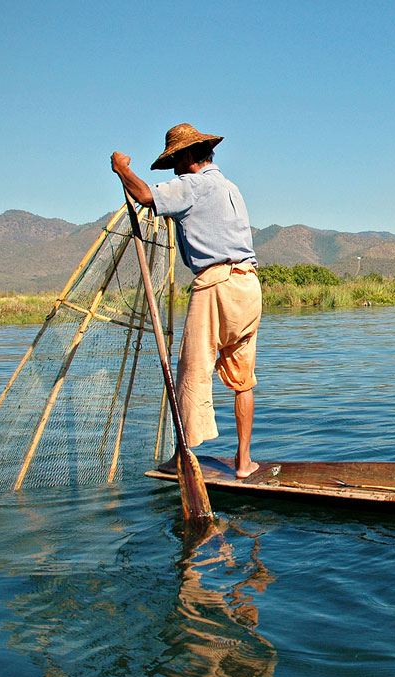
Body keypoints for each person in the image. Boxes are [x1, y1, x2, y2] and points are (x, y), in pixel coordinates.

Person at [112, 123, 262, 478]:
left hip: (216, 284)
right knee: (244, 378)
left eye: (177, 161)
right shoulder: (230, 188)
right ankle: (244, 463)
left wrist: (122, 168)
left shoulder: (194, 184)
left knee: (191, 370)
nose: (175, 170)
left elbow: (146, 196)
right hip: (248, 286)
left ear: (191, 157)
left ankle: (183, 458)